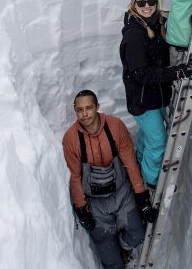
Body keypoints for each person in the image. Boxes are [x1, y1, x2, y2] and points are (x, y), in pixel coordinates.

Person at [62, 90, 158, 268]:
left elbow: (130, 162)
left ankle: (123, 246)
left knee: (138, 235)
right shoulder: (71, 138)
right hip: (95, 202)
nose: (84, 114)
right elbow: (74, 176)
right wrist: (82, 209)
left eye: (89, 108)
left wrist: (141, 197)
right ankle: (114, 251)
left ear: (97, 107)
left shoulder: (115, 126)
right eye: (80, 110)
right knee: (110, 261)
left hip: (121, 193)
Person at [119, 0, 192, 187]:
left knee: (148, 138)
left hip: (156, 97)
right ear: (133, 5)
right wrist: (177, 71)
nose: (147, 6)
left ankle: (138, 169)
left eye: (151, 1)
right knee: (158, 143)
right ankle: (149, 184)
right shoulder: (134, 35)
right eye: (141, 2)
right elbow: (141, 73)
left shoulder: (156, 23)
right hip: (144, 102)